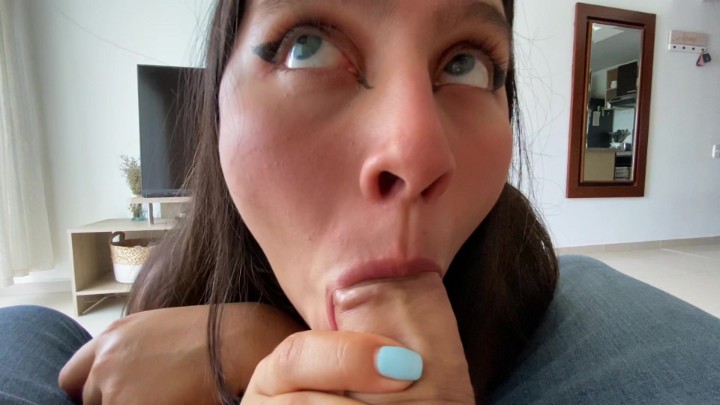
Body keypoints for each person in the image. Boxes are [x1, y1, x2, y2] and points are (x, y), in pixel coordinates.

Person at [1, 0, 718, 404]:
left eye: (466, 62)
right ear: (218, 106)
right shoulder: (166, 288)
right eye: (307, 46)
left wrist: (252, 345)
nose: (417, 153)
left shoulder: (563, 302)